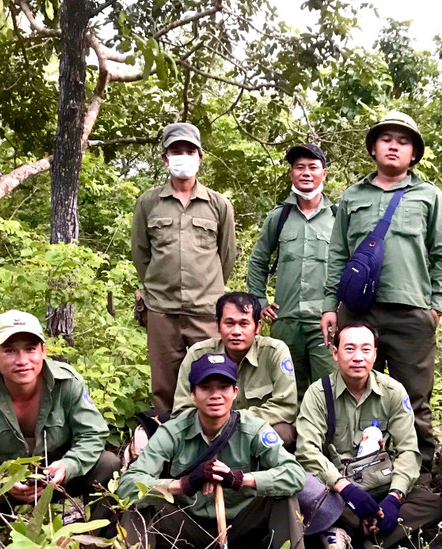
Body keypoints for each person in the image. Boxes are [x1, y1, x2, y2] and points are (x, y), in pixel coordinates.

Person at [111, 353, 316, 549]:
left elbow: (294, 474)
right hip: (186, 531)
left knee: (284, 495)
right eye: (206, 388)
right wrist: (183, 483)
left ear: (235, 392)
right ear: (193, 394)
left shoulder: (253, 429)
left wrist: (240, 478)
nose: (215, 395)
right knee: (139, 507)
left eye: (223, 387)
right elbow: (128, 485)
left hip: (241, 529)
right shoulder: (172, 432)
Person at [320, 111, 442, 473]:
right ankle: (356, 472)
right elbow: (337, 254)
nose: (394, 146)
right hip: (357, 312)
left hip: (411, 312)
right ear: (373, 148)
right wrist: (329, 306)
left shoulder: (429, 196)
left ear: (413, 153)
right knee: (354, 391)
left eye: (403, 141)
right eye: (386, 139)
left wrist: (436, 308)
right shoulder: (352, 196)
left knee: (414, 398)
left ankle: (420, 475)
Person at [0, 310, 119, 530]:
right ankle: (1, 539)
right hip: (1, 484)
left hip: (57, 478)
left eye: (30, 349)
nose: (22, 361)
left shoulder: (67, 382)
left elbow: (93, 434)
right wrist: (2, 481)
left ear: (43, 351)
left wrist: (67, 466)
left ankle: (98, 540)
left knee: (108, 464)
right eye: (9, 351)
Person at [295, 322, 442, 549]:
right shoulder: (318, 393)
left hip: (382, 484)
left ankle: (352, 529)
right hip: (339, 491)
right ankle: (374, 530)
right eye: (349, 349)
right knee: (301, 489)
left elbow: (408, 450)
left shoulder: (393, 392)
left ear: (375, 354)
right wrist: (345, 488)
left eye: (366, 349)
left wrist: (395, 497)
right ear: (335, 353)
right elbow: (307, 451)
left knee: (436, 503)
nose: (358, 357)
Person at [131, 122, 237, 416]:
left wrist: (208, 289)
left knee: (210, 380)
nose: (183, 157)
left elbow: (226, 255)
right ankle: (168, 444)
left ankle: (209, 446)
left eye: (189, 151)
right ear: (165, 158)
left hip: (205, 310)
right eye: (176, 151)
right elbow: (141, 254)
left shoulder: (218, 204)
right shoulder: (148, 203)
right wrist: (158, 286)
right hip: (162, 311)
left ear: (200, 157)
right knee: (164, 385)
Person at [247, 143, 336, 394]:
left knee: (327, 390)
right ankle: (291, 434)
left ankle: (327, 434)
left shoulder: (338, 217)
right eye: (299, 167)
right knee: (286, 391)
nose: (306, 172)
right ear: (291, 174)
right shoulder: (279, 217)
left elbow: (350, 266)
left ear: (324, 173)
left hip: (325, 322)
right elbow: (258, 261)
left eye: (312, 167)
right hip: (286, 321)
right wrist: (260, 300)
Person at [172, 292, 299, 448]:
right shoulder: (199, 354)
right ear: (218, 326)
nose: (236, 332)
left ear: (258, 326)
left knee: (283, 433)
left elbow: (286, 407)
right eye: (229, 323)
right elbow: (181, 410)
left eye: (244, 324)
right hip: (209, 433)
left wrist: (234, 421)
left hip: (255, 432)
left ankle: (262, 471)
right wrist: (214, 422)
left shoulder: (274, 351)